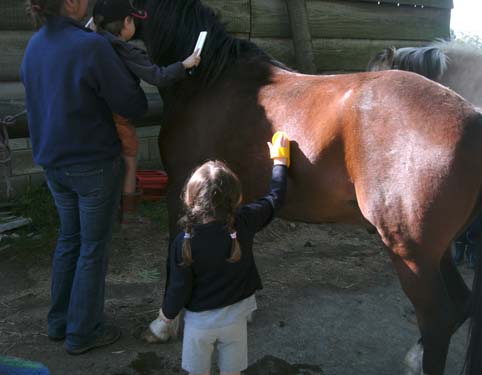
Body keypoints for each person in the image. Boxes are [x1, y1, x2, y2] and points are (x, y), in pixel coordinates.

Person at [21, 0, 148, 354]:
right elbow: (133, 105)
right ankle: (83, 332)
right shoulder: (90, 46)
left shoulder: (34, 45)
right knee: (92, 249)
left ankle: (59, 322)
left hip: (52, 164)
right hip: (92, 163)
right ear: (72, 2)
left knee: (69, 240)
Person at [146, 132, 291, 375]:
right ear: (236, 197)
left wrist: (166, 318)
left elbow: (178, 289)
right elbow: (275, 198)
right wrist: (280, 162)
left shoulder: (185, 241)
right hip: (236, 319)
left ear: (191, 198)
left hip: (199, 326)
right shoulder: (244, 222)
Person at [91, 0, 201, 223]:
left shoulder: (92, 42)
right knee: (130, 159)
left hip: (94, 115)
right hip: (118, 116)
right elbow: (157, 76)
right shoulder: (125, 50)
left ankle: (106, 212)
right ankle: (128, 214)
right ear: (127, 22)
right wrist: (185, 64)